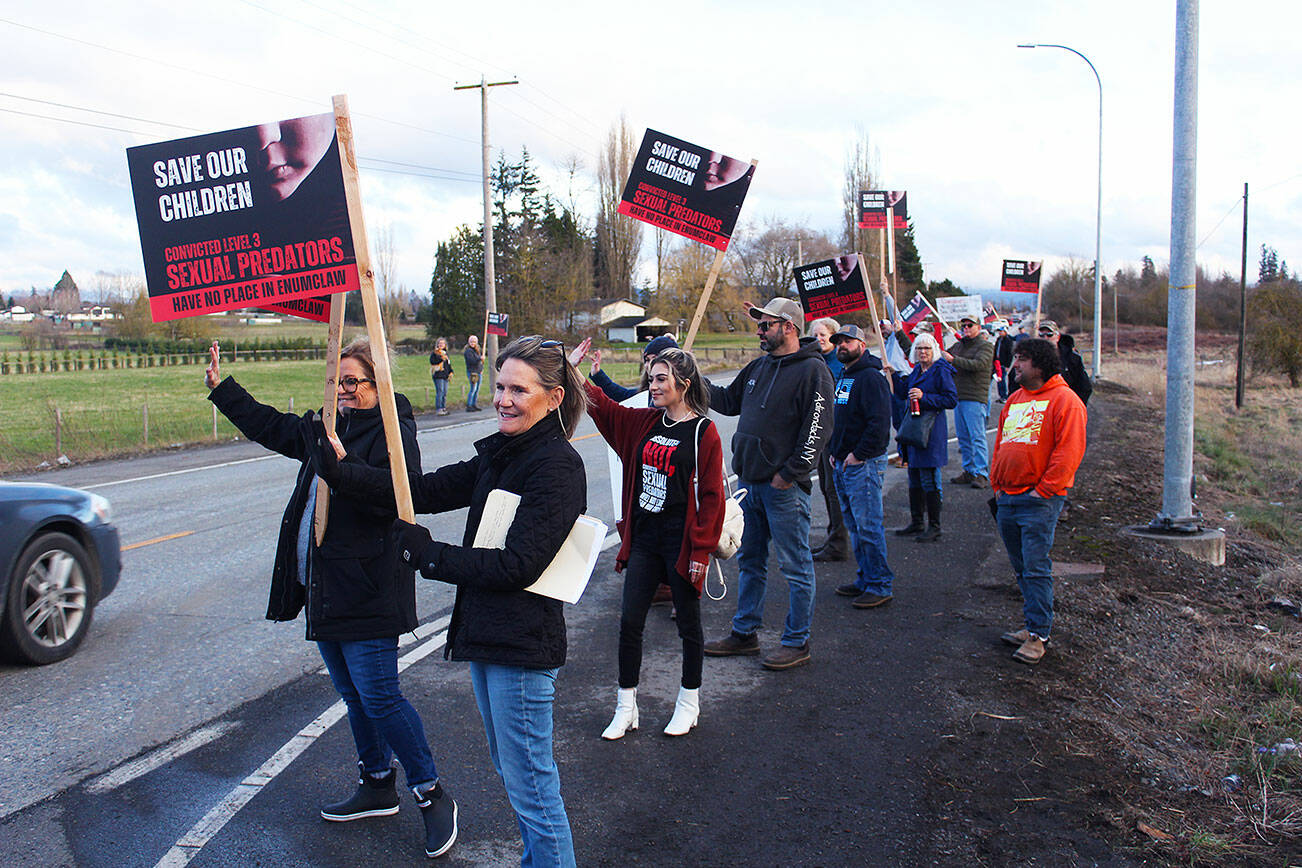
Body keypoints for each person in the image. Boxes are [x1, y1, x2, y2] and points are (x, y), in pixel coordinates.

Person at [320, 335, 586, 867]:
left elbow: (517, 565)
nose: (503, 399)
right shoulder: (504, 452)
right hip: (488, 636)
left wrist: (428, 555)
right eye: (501, 386)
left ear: (553, 398)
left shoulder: (556, 466)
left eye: (518, 390)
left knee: (532, 785)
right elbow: (425, 489)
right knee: (514, 772)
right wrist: (340, 470)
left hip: (522, 644)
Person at [203, 338, 456, 860]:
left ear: (376, 383)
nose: (342, 391)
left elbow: (397, 494)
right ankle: (377, 782)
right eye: (336, 381)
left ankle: (432, 794)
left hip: (367, 588)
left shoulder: (393, 428)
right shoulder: (324, 428)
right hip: (326, 591)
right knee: (355, 697)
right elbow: (272, 426)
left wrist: (343, 469)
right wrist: (223, 390)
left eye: (352, 382)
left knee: (382, 697)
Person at [570, 339, 724, 739]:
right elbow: (606, 410)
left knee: (688, 625)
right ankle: (626, 706)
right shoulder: (644, 422)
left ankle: (689, 703)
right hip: (643, 542)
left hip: (682, 544)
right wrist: (573, 373)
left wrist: (701, 553)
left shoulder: (703, 432)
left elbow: (711, 498)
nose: (651, 385)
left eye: (660, 379)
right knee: (629, 622)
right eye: (651, 378)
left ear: (683, 383)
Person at [701, 297, 833, 671]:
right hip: (750, 485)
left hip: (783, 490)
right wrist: (694, 377)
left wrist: (789, 473)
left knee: (795, 566)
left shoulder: (813, 371)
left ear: (788, 327)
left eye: (766, 325)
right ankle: (745, 634)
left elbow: (818, 428)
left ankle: (797, 641)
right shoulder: (759, 366)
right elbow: (727, 401)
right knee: (751, 561)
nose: (759, 331)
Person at [990, 338, 1087, 665]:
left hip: (1038, 501)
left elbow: (1068, 454)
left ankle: (1039, 635)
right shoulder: (1015, 399)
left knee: (1035, 567)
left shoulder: (1066, 401)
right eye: (1016, 358)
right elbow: (1002, 443)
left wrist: (1043, 491)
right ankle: (1031, 625)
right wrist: (997, 485)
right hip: (1008, 498)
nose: (1015, 365)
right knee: (1021, 568)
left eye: (1022, 359)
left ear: (1041, 364)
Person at [825, 325, 895, 609]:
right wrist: (834, 451)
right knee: (854, 525)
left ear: (862, 345)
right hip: (841, 462)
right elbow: (840, 418)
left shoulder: (870, 378)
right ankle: (865, 578)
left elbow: (879, 424)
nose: (842, 345)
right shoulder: (845, 375)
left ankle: (880, 584)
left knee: (868, 526)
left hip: (862, 465)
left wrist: (859, 454)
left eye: (847, 341)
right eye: (839, 341)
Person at [888, 332, 957, 543]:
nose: (923, 352)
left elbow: (951, 399)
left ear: (934, 350)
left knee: (929, 477)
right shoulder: (917, 369)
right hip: (915, 429)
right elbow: (903, 393)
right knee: (914, 477)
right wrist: (892, 375)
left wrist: (925, 397)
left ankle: (934, 526)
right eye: (919, 348)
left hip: (931, 430)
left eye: (926, 348)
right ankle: (917, 521)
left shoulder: (940, 370)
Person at [809, 317, 849, 563]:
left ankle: (839, 542)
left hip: (834, 436)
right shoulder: (816, 363)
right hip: (821, 437)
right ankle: (834, 537)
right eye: (815, 335)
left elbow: (839, 403)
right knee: (825, 487)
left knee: (834, 490)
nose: (819, 339)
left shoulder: (839, 365)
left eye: (823, 335)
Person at [941, 316, 995, 489]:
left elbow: (978, 364)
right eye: (963, 325)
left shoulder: (986, 346)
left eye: (969, 325)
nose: (966, 328)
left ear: (978, 327)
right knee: (963, 438)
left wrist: (953, 360)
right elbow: (941, 357)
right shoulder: (959, 345)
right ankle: (969, 470)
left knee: (977, 436)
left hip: (975, 398)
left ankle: (982, 473)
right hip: (959, 397)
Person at [588, 334, 679, 403]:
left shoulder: (683, 399)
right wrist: (597, 374)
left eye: (655, 359)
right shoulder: (645, 395)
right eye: (647, 360)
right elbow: (622, 395)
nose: (649, 364)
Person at [1036, 321, 1092, 405]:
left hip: (1066, 405)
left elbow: (1084, 387)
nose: (1045, 338)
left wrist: (1075, 406)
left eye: (1049, 335)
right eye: (1041, 335)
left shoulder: (1072, 358)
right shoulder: (1032, 359)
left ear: (1058, 337)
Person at [429, 337, 453, 416]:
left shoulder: (446, 354)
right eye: (439, 343)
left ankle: (443, 407)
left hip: (445, 375)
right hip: (438, 375)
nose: (441, 345)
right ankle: (439, 409)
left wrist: (451, 371)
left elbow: (448, 365)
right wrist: (441, 359)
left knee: (444, 392)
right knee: (440, 392)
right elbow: (432, 362)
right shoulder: (435, 353)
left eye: (442, 343)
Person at [994, 324, 1015, 401]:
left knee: (1002, 380)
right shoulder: (998, 340)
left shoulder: (1008, 341)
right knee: (998, 380)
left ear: (1005, 332)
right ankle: (1001, 395)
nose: (1000, 333)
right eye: (999, 331)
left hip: (1003, 364)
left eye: (1001, 331)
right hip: (997, 363)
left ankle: (1004, 396)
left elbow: (1010, 354)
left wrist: (1007, 365)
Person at [463, 334, 483, 412]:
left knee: (477, 389)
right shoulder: (468, 351)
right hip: (472, 372)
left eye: (474, 341)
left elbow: (479, 363)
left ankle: (474, 404)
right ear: (469, 342)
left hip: (478, 372)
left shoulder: (477, 350)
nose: (473, 343)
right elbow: (472, 361)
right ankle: (469, 405)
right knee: (473, 389)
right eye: (471, 341)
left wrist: (481, 368)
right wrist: (480, 358)